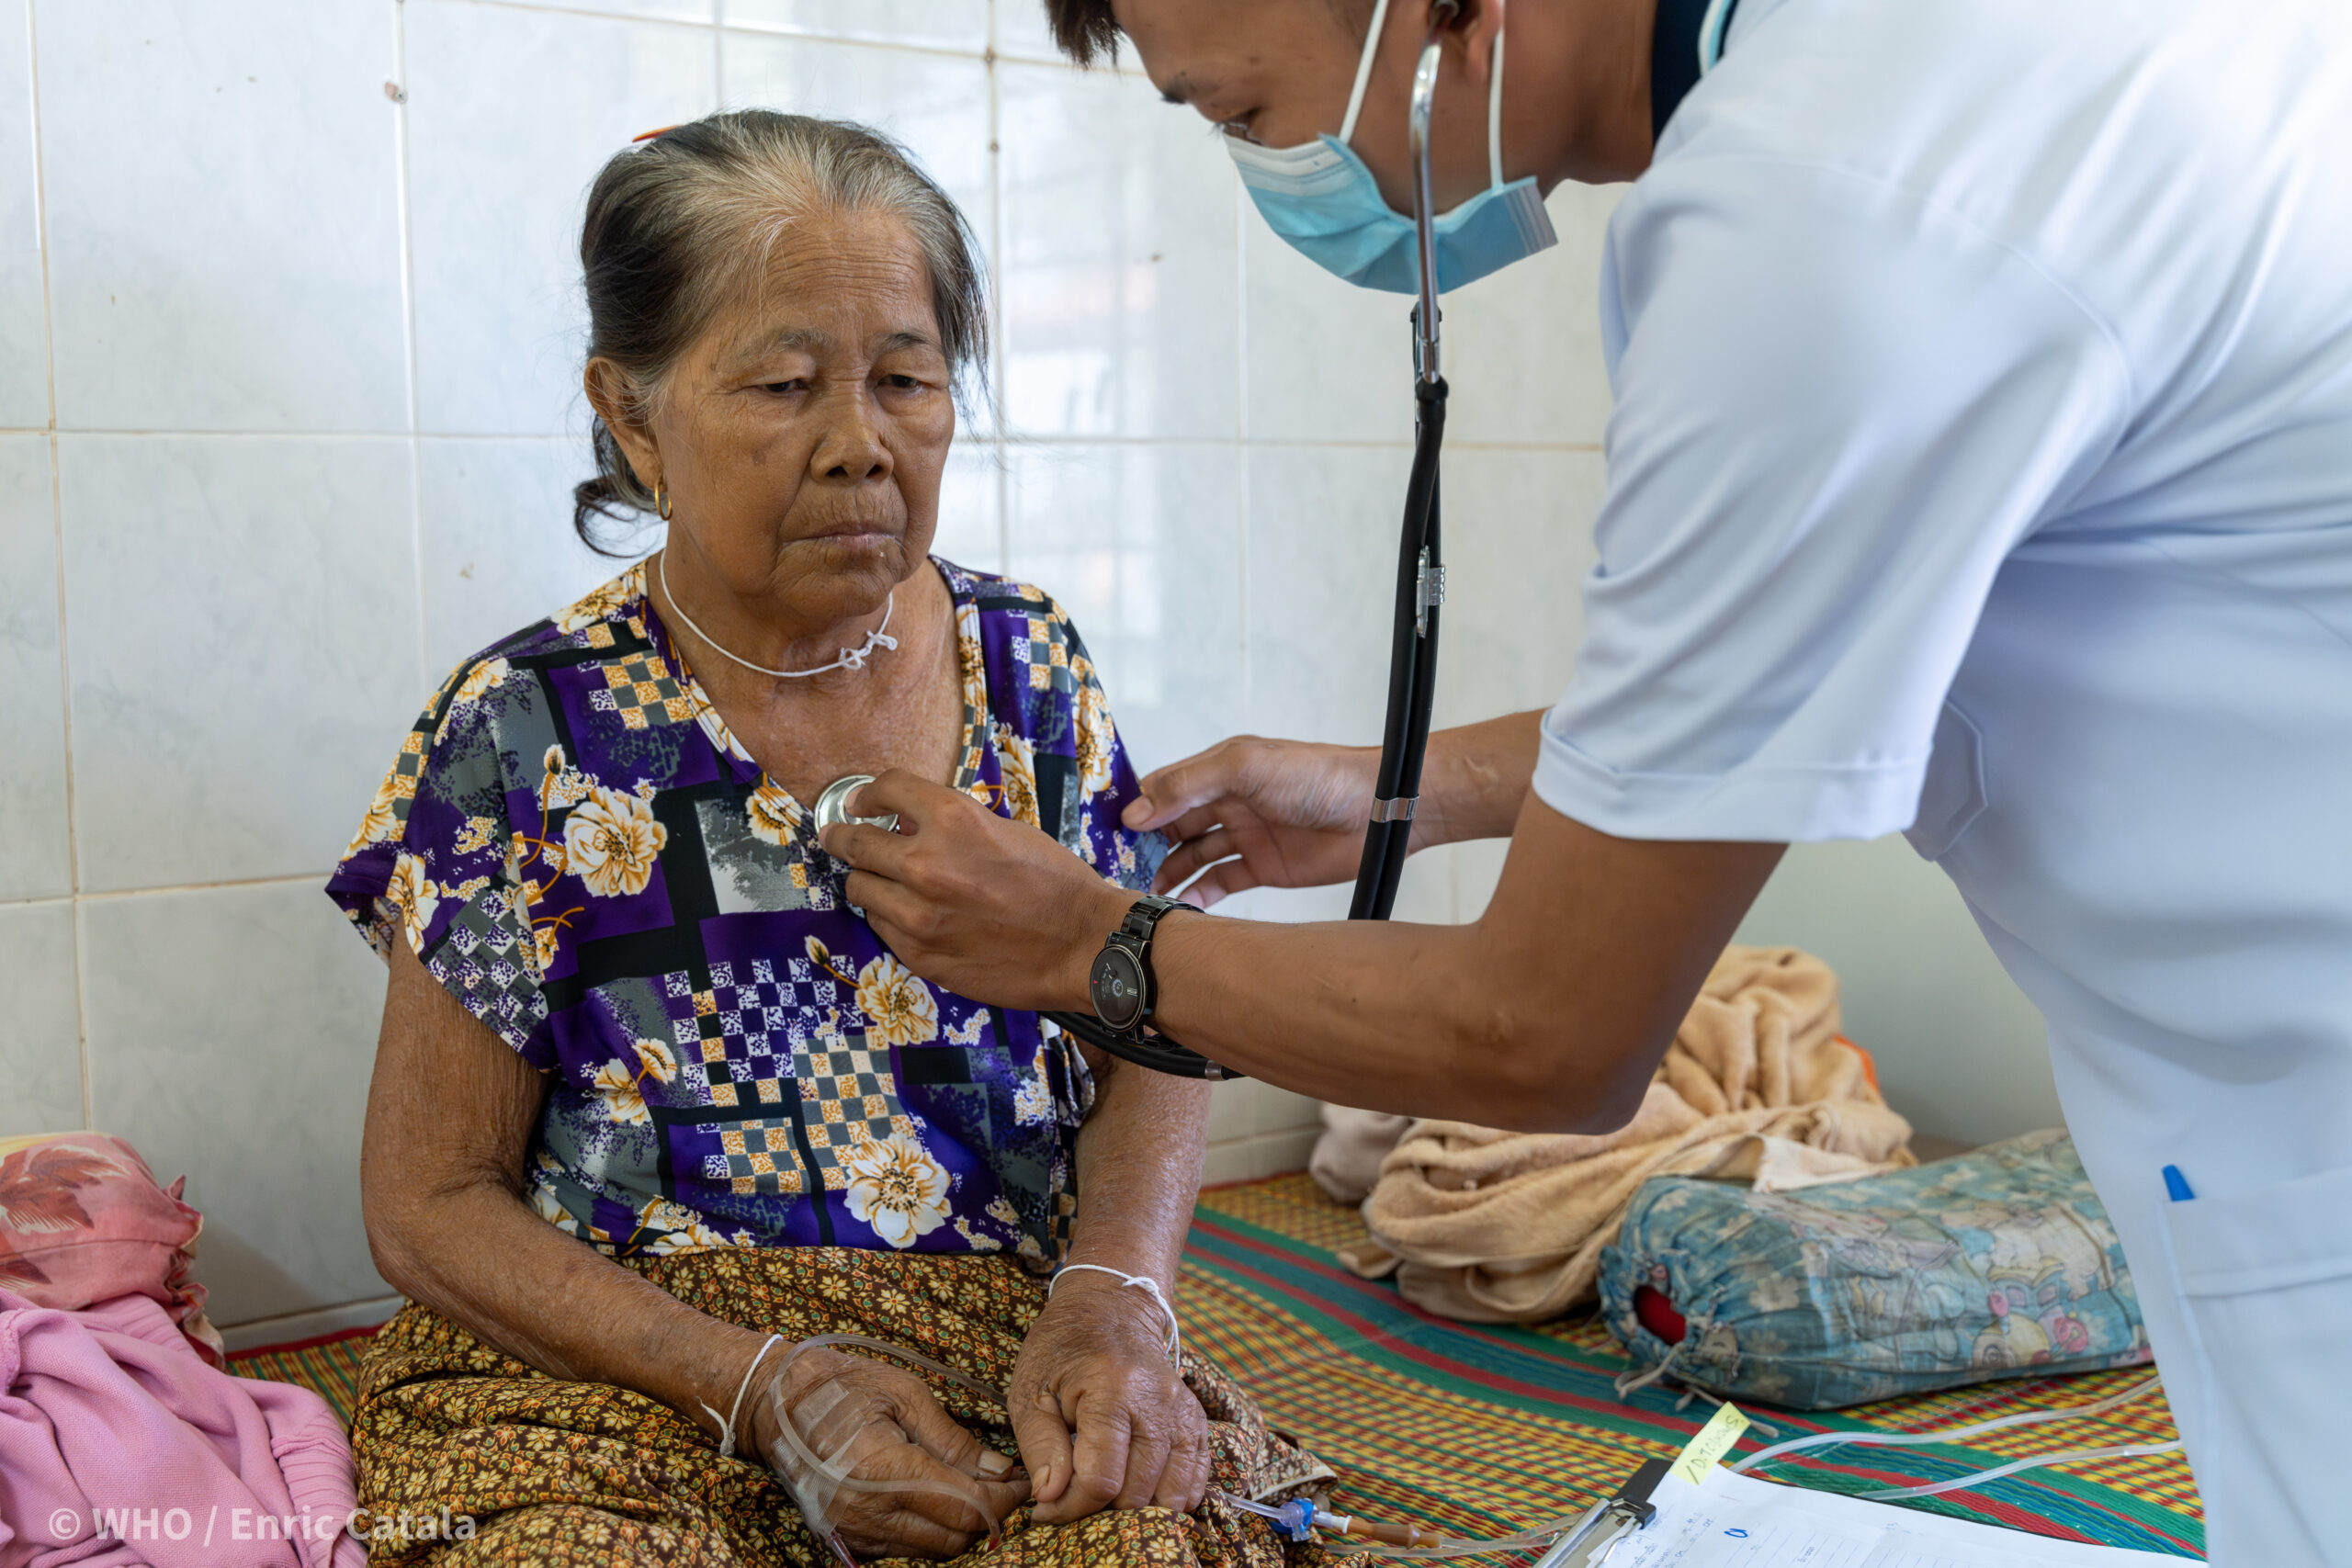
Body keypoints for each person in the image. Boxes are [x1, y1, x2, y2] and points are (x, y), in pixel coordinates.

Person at [816, 1, 2352, 1561]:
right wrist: (1386, 790)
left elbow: (1547, 1030)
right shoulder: (1920, 92)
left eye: (1243, 111)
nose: (855, 455)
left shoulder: (1819, 214)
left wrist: (1090, 946)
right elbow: (1800, 684)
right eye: (776, 388)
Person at [328, 111, 1335, 1567]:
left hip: (997, 1346)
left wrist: (1114, 1297)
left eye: (908, 379)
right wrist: (758, 1384)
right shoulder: (523, 728)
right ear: (633, 412)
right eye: (787, 384)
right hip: (621, 1376)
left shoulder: (1028, 666)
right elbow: (425, 1205)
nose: (862, 446)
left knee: (1156, 1549)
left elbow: (1148, 1029)